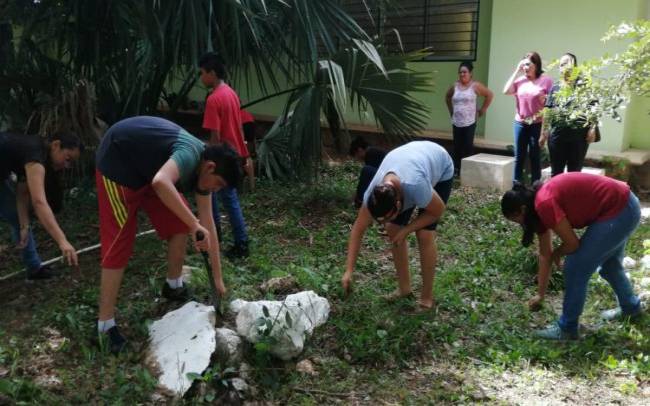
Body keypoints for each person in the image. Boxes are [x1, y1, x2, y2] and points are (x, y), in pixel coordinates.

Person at [95, 115, 241, 353]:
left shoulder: (203, 172)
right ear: (210, 167)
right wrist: (194, 224)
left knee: (179, 222)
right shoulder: (189, 154)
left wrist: (217, 279)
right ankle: (104, 326)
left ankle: (173, 285)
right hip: (118, 163)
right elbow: (162, 182)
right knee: (120, 241)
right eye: (219, 185)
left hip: (148, 172)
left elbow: (208, 224)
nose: (215, 190)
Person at [501, 173, 643, 340]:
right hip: (623, 205)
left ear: (523, 210)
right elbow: (545, 255)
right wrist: (540, 294)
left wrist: (558, 254)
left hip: (620, 209)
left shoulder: (544, 203)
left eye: (516, 220)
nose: (520, 225)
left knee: (575, 268)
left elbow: (572, 244)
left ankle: (567, 328)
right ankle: (631, 308)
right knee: (610, 267)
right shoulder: (537, 208)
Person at [341, 141, 454, 310]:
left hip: (440, 165)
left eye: (387, 217)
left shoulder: (415, 185)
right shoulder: (374, 193)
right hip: (411, 160)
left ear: (399, 205)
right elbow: (358, 229)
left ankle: (427, 298)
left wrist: (408, 229)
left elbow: (437, 211)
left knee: (424, 234)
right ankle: (404, 289)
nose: (383, 223)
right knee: (393, 229)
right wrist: (349, 270)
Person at [0, 131, 83, 279]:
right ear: (56, 145)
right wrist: (62, 241)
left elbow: (23, 193)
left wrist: (23, 225)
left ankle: (34, 269)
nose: (66, 165)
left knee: (15, 216)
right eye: (67, 158)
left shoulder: (33, 153)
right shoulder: (35, 157)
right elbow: (39, 203)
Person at [199, 52, 250, 259]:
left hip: (222, 158)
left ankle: (229, 241)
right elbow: (238, 126)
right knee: (230, 200)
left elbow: (215, 136)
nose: (201, 78)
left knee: (217, 199)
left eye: (202, 73)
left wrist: (208, 160)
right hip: (234, 153)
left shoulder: (213, 99)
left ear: (212, 73)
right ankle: (238, 241)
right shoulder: (230, 92)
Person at [540, 53, 598, 176]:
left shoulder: (585, 86)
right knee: (556, 173)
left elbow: (594, 107)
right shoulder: (555, 87)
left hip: (579, 138)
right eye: (561, 65)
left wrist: (592, 128)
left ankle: (572, 195)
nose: (563, 67)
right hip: (557, 137)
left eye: (566, 63)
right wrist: (543, 133)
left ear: (575, 66)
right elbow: (548, 110)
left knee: (575, 174)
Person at [503, 51, 553, 185]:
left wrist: (545, 131)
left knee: (535, 157)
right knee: (519, 157)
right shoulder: (520, 81)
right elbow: (506, 91)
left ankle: (535, 190)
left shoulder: (546, 80)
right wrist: (516, 70)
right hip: (520, 123)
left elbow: (550, 106)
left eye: (528, 64)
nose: (525, 67)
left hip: (537, 124)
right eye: (523, 65)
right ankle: (517, 188)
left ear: (536, 65)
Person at [445, 61, 493, 175]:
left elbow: (489, 95)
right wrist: (451, 111)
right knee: (457, 146)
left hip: (470, 121)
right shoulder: (455, 86)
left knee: (467, 146)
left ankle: (467, 171)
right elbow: (447, 97)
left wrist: (483, 109)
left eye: (465, 72)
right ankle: (456, 170)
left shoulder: (475, 86)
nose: (462, 74)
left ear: (470, 73)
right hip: (457, 122)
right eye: (460, 72)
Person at [348, 136, 387, 208]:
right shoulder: (371, 152)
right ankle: (361, 198)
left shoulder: (371, 153)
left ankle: (360, 200)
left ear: (359, 150)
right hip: (384, 176)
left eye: (356, 155)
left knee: (366, 170)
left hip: (387, 177)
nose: (357, 158)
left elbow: (370, 178)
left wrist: (358, 194)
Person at [240, 108, 256, 191]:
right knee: (247, 155)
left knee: (243, 154)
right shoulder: (242, 109)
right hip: (250, 122)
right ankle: (252, 186)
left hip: (242, 124)